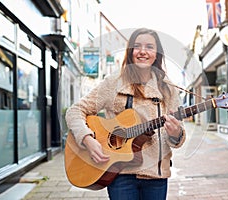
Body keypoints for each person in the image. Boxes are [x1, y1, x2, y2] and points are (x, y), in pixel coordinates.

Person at [65, 28, 186, 200]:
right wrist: (87, 139)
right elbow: (75, 111)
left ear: (157, 54)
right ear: (130, 52)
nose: (143, 51)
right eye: (137, 46)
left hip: (156, 176)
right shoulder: (114, 82)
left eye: (149, 47)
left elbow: (178, 139)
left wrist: (176, 133)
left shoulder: (168, 88)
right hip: (120, 175)